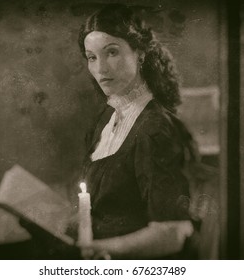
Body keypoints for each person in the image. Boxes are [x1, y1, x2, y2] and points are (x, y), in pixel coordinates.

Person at [75, 3, 201, 259]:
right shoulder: (107, 118)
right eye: (92, 57)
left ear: (140, 53)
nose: (100, 69)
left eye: (111, 52)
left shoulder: (156, 130)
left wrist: (101, 249)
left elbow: (172, 234)